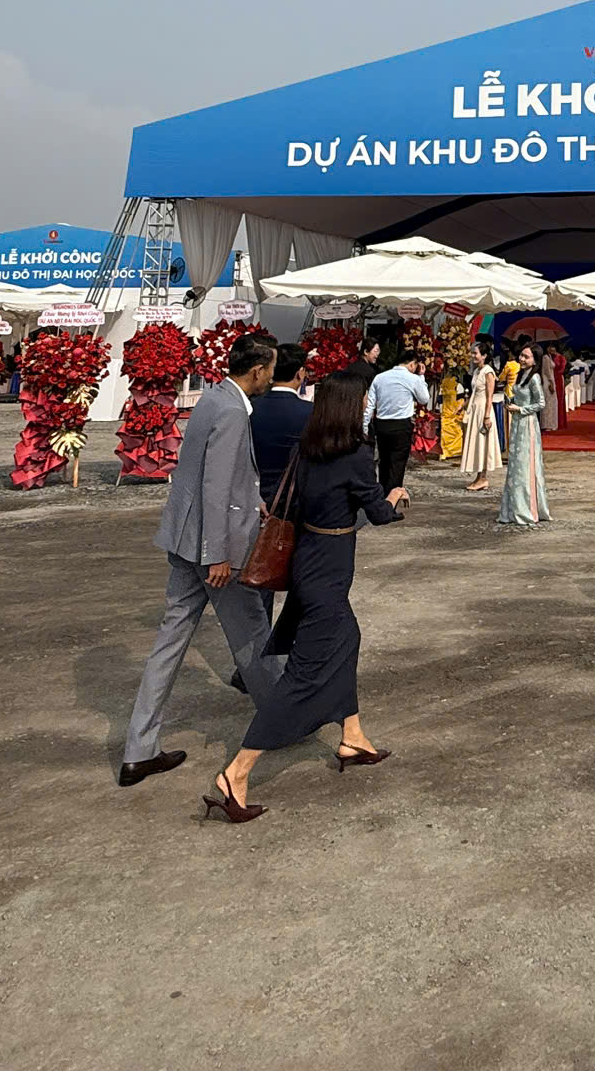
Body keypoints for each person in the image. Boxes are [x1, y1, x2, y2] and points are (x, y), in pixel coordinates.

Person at [205, 375, 409, 824]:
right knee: (303, 674)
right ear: (351, 407)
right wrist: (396, 497)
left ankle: (352, 735)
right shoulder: (356, 454)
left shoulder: (307, 448)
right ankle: (237, 772)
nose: (367, 407)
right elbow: (378, 512)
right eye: (363, 401)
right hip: (330, 568)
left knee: (347, 639)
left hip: (308, 559)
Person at [117, 335, 283, 787]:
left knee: (169, 644)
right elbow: (215, 485)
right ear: (257, 371)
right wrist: (218, 555)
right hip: (213, 548)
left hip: (184, 539)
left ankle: (138, 748)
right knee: (252, 635)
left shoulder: (212, 398)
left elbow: (211, 476)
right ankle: (283, 718)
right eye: (270, 370)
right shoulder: (232, 412)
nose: (271, 378)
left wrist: (251, 501)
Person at [363, 346, 430, 493]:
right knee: (397, 465)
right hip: (401, 425)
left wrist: (364, 427)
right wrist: (421, 377)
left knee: (384, 463)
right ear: (412, 364)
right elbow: (424, 399)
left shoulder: (380, 377)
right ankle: (392, 499)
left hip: (382, 425)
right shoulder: (412, 378)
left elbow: (370, 405)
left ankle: (382, 496)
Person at [497, 342, 550, 527]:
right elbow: (519, 396)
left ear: (535, 360)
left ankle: (527, 509)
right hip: (517, 423)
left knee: (525, 466)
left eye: (526, 357)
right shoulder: (521, 374)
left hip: (527, 424)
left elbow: (541, 403)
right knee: (515, 465)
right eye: (521, 355)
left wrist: (520, 409)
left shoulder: (534, 377)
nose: (522, 359)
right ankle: (512, 509)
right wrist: (511, 401)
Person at [250, 344, 310, 496]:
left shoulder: (251, 407)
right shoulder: (311, 411)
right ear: (300, 373)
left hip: (254, 490)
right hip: (293, 494)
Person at [461, 341, 499, 492]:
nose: (472, 356)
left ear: (484, 355)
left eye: (475, 353)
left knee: (483, 443)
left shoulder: (488, 372)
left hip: (483, 409)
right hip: (475, 408)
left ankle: (483, 477)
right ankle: (479, 477)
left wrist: (487, 416)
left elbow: (490, 396)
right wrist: (463, 406)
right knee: (477, 443)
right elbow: (474, 392)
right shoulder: (477, 371)